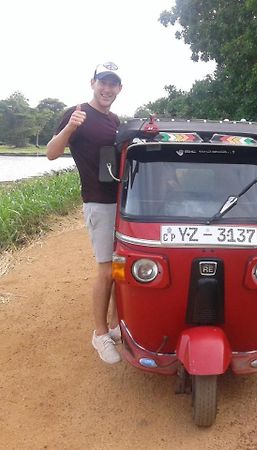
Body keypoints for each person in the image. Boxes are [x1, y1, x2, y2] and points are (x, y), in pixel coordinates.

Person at [47, 62, 123, 363]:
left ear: (120, 89)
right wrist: (70, 126)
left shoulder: (115, 120)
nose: (107, 89)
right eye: (103, 82)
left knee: (121, 269)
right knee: (106, 270)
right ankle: (101, 334)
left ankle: (118, 327)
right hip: (98, 202)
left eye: (113, 84)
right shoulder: (76, 112)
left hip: (122, 204)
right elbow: (51, 153)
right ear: (93, 83)